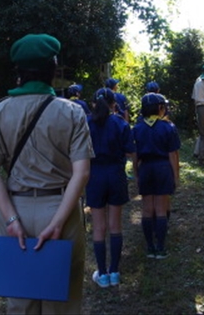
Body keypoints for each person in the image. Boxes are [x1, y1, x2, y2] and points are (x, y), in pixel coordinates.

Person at [0, 33, 93, 314]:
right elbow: (81, 173)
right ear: (52, 71)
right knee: (62, 303)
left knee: (20, 302)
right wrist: (57, 222)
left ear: (18, 72)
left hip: (14, 208)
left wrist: (11, 218)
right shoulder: (72, 112)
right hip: (61, 209)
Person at [86, 88, 136, 288]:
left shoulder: (86, 123)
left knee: (99, 227)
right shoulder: (120, 123)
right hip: (116, 175)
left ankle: (102, 273)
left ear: (93, 104)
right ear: (114, 104)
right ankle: (114, 270)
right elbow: (131, 151)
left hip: (95, 176)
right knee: (116, 225)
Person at [132, 92, 180, 259]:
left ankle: (150, 247)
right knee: (160, 209)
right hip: (162, 168)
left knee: (147, 209)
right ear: (160, 108)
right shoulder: (168, 127)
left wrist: (136, 173)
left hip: (146, 168)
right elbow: (173, 154)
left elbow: (135, 155)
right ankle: (160, 247)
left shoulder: (137, 128)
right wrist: (175, 175)